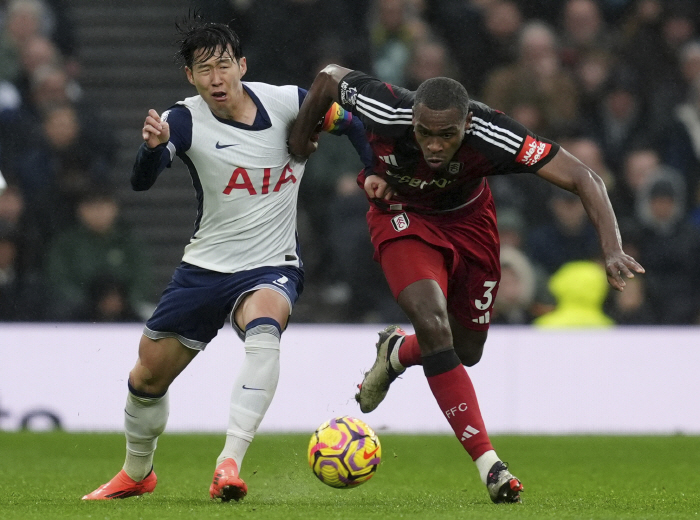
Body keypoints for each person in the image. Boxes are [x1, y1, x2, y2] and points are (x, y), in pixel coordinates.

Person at [288, 64, 644, 504]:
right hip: (404, 219)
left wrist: (611, 247)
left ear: (468, 125)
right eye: (424, 134)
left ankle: (398, 352)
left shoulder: (496, 134)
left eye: (447, 136)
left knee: (465, 350)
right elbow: (326, 78)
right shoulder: (386, 106)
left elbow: (583, 176)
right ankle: (490, 465)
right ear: (412, 119)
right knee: (433, 321)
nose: (434, 146)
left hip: (470, 226)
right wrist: (300, 138)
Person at [82, 17, 369, 502]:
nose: (215, 78)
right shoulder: (185, 119)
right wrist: (150, 150)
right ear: (189, 77)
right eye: (202, 70)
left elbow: (353, 122)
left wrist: (375, 172)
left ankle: (228, 464)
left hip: (271, 263)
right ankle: (137, 473)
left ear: (241, 65)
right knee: (146, 378)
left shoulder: (289, 102)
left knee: (264, 328)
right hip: (204, 269)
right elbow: (141, 181)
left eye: (222, 66)